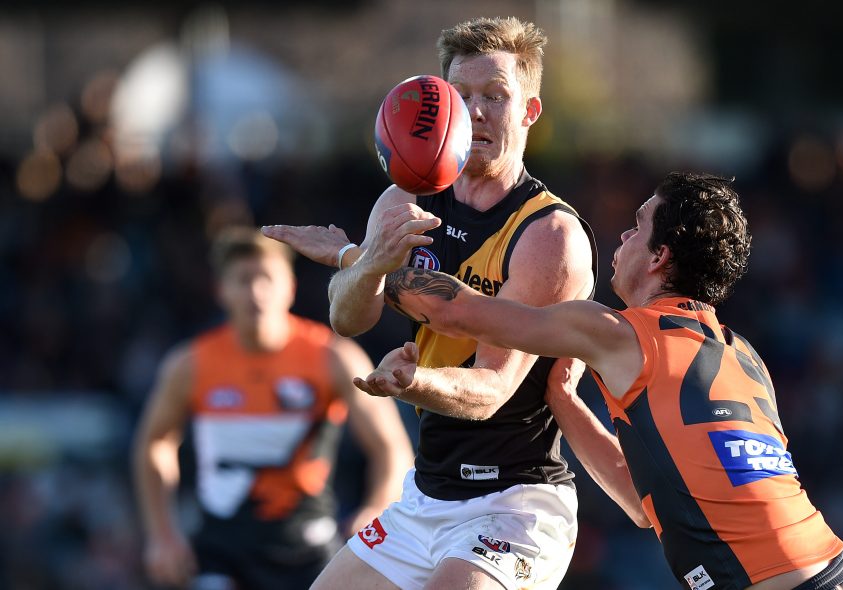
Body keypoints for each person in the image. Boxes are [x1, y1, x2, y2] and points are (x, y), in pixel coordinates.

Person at [263, 15, 646, 590]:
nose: (478, 111)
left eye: (496, 95)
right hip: (426, 496)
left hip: (514, 501)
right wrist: (366, 262)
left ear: (529, 111)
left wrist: (410, 382)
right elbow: (348, 316)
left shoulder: (548, 235)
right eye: (462, 95)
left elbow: (490, 391)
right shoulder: (405, 198)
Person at [355, 172, 843, 590]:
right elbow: (641, 501)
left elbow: (461, 313)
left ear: (659, 256)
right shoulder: (743, 354)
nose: (623, 236)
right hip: (835, 568)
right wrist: (563, 400)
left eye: (637, 226)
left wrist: (361, 260)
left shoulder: (622, 333)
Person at [133, 227, 413, 590]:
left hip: (308, 549)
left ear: (289, 287)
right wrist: (162, 534)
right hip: (220, 552)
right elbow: (154, 443)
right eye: (243, 280)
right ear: (221, 290)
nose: (256, 292)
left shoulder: (332, 358)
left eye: (266, 278)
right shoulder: (190, 364)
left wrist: (376, 509)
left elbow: (391, 448)